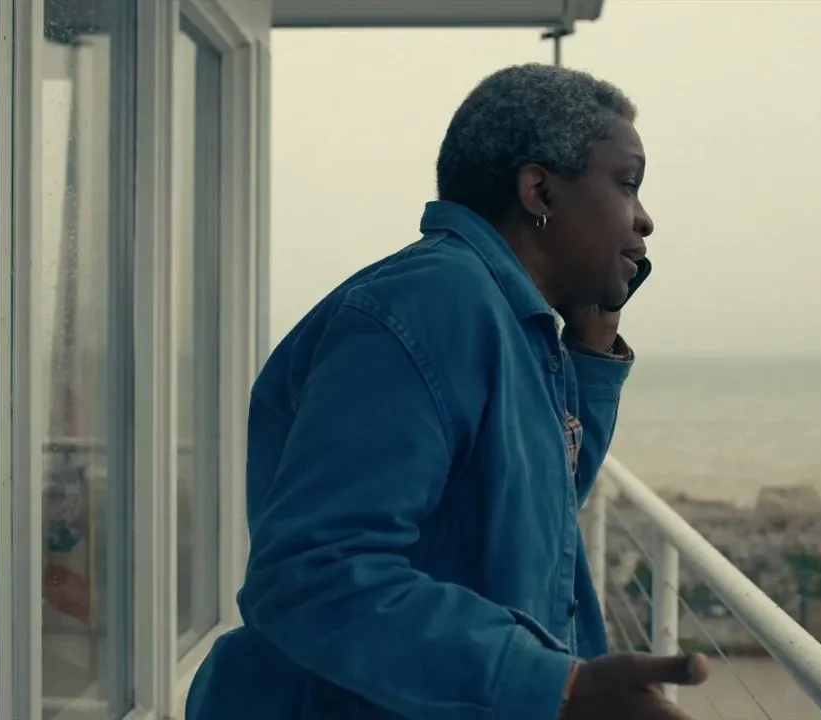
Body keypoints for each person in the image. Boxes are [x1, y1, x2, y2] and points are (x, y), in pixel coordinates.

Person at [185, 63, 710, 720]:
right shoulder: (433, 306)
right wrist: (559, 689)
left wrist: (592, 355)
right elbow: (311, 573)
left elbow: (526, 511)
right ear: (539, 191)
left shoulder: (510, 322)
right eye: (627, 184)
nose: (644, 220)